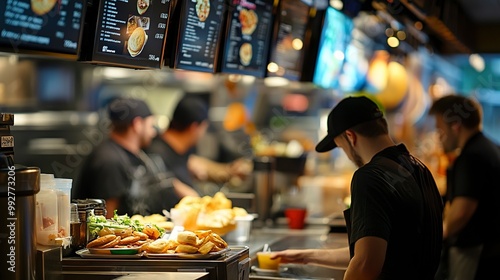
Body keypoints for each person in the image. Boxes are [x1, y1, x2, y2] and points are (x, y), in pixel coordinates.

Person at [270, 96, 444, 280]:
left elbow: (365, 264)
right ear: (383, 124)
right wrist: (306, 257)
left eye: (340, 146)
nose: (346, 155)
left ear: (350, 137)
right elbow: (376, 250)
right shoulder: (418, 168)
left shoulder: (370, 177)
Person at [429, 94, 500, 280]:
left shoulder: (471, 157)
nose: (439, 137)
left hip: (475, 252)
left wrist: (437, 234)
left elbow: (461, 212)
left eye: (440, 130)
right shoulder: (490, 147)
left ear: (455, 126)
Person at [73, 97, 183, 217]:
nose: (153, 132)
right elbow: (108, 221)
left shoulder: (134, 153)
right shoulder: (109, 160)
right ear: (137, 124)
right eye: (151, 125)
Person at [145, 95, 252, 198]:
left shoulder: (176, 148)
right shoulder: (156, 153)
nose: (203, 133)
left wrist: (229, 171)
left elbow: (196, 164)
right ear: (194, 127)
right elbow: (163, 182)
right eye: (203, 127)